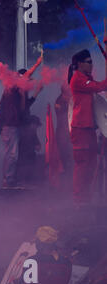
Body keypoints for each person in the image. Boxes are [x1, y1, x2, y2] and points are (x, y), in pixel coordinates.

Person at [0, 54, 44, 188]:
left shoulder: (20, 92)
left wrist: (36, 93)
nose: (30, 83)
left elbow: (24, 108)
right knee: (12, 155)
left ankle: (11, 179)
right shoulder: (13, 88)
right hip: (9, 126)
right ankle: (8, 181)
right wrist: (37, 64)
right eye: (28, 80)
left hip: (14, 126)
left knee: (14, 155)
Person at [68, 48, 107, 207]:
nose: (92, 65)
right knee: (83, 165)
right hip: (80, 129)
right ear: (79, 64)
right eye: (89, 62)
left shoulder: (85, 78)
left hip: (89, 128)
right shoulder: (77, 79)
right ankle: (79, 200)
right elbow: (100, 87)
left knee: (91, 164)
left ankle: (86, 199)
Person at [55, 84, 73, 189]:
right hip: (63, 134)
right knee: (64, 157)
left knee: (70, 157)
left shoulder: (68, 100)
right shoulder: (60, 101)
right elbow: (62, 118)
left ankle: (70, 181)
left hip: (68, 133)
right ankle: (64, 184)